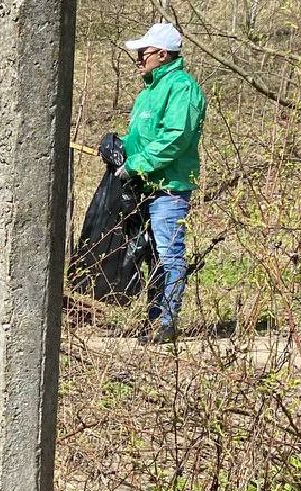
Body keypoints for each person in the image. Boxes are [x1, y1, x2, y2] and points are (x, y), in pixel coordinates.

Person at [117, 22, 206, 345]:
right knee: (150, 255)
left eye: (143, 53)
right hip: (145, 185)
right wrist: (120, 147)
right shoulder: (149, 91)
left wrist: (137, 164)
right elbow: (144, 136)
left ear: (163, 54)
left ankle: (165, 322)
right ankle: (154, 317)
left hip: (168, 188)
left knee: (168, 255)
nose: (139, 59)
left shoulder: (182, 87)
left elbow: (176, 137)